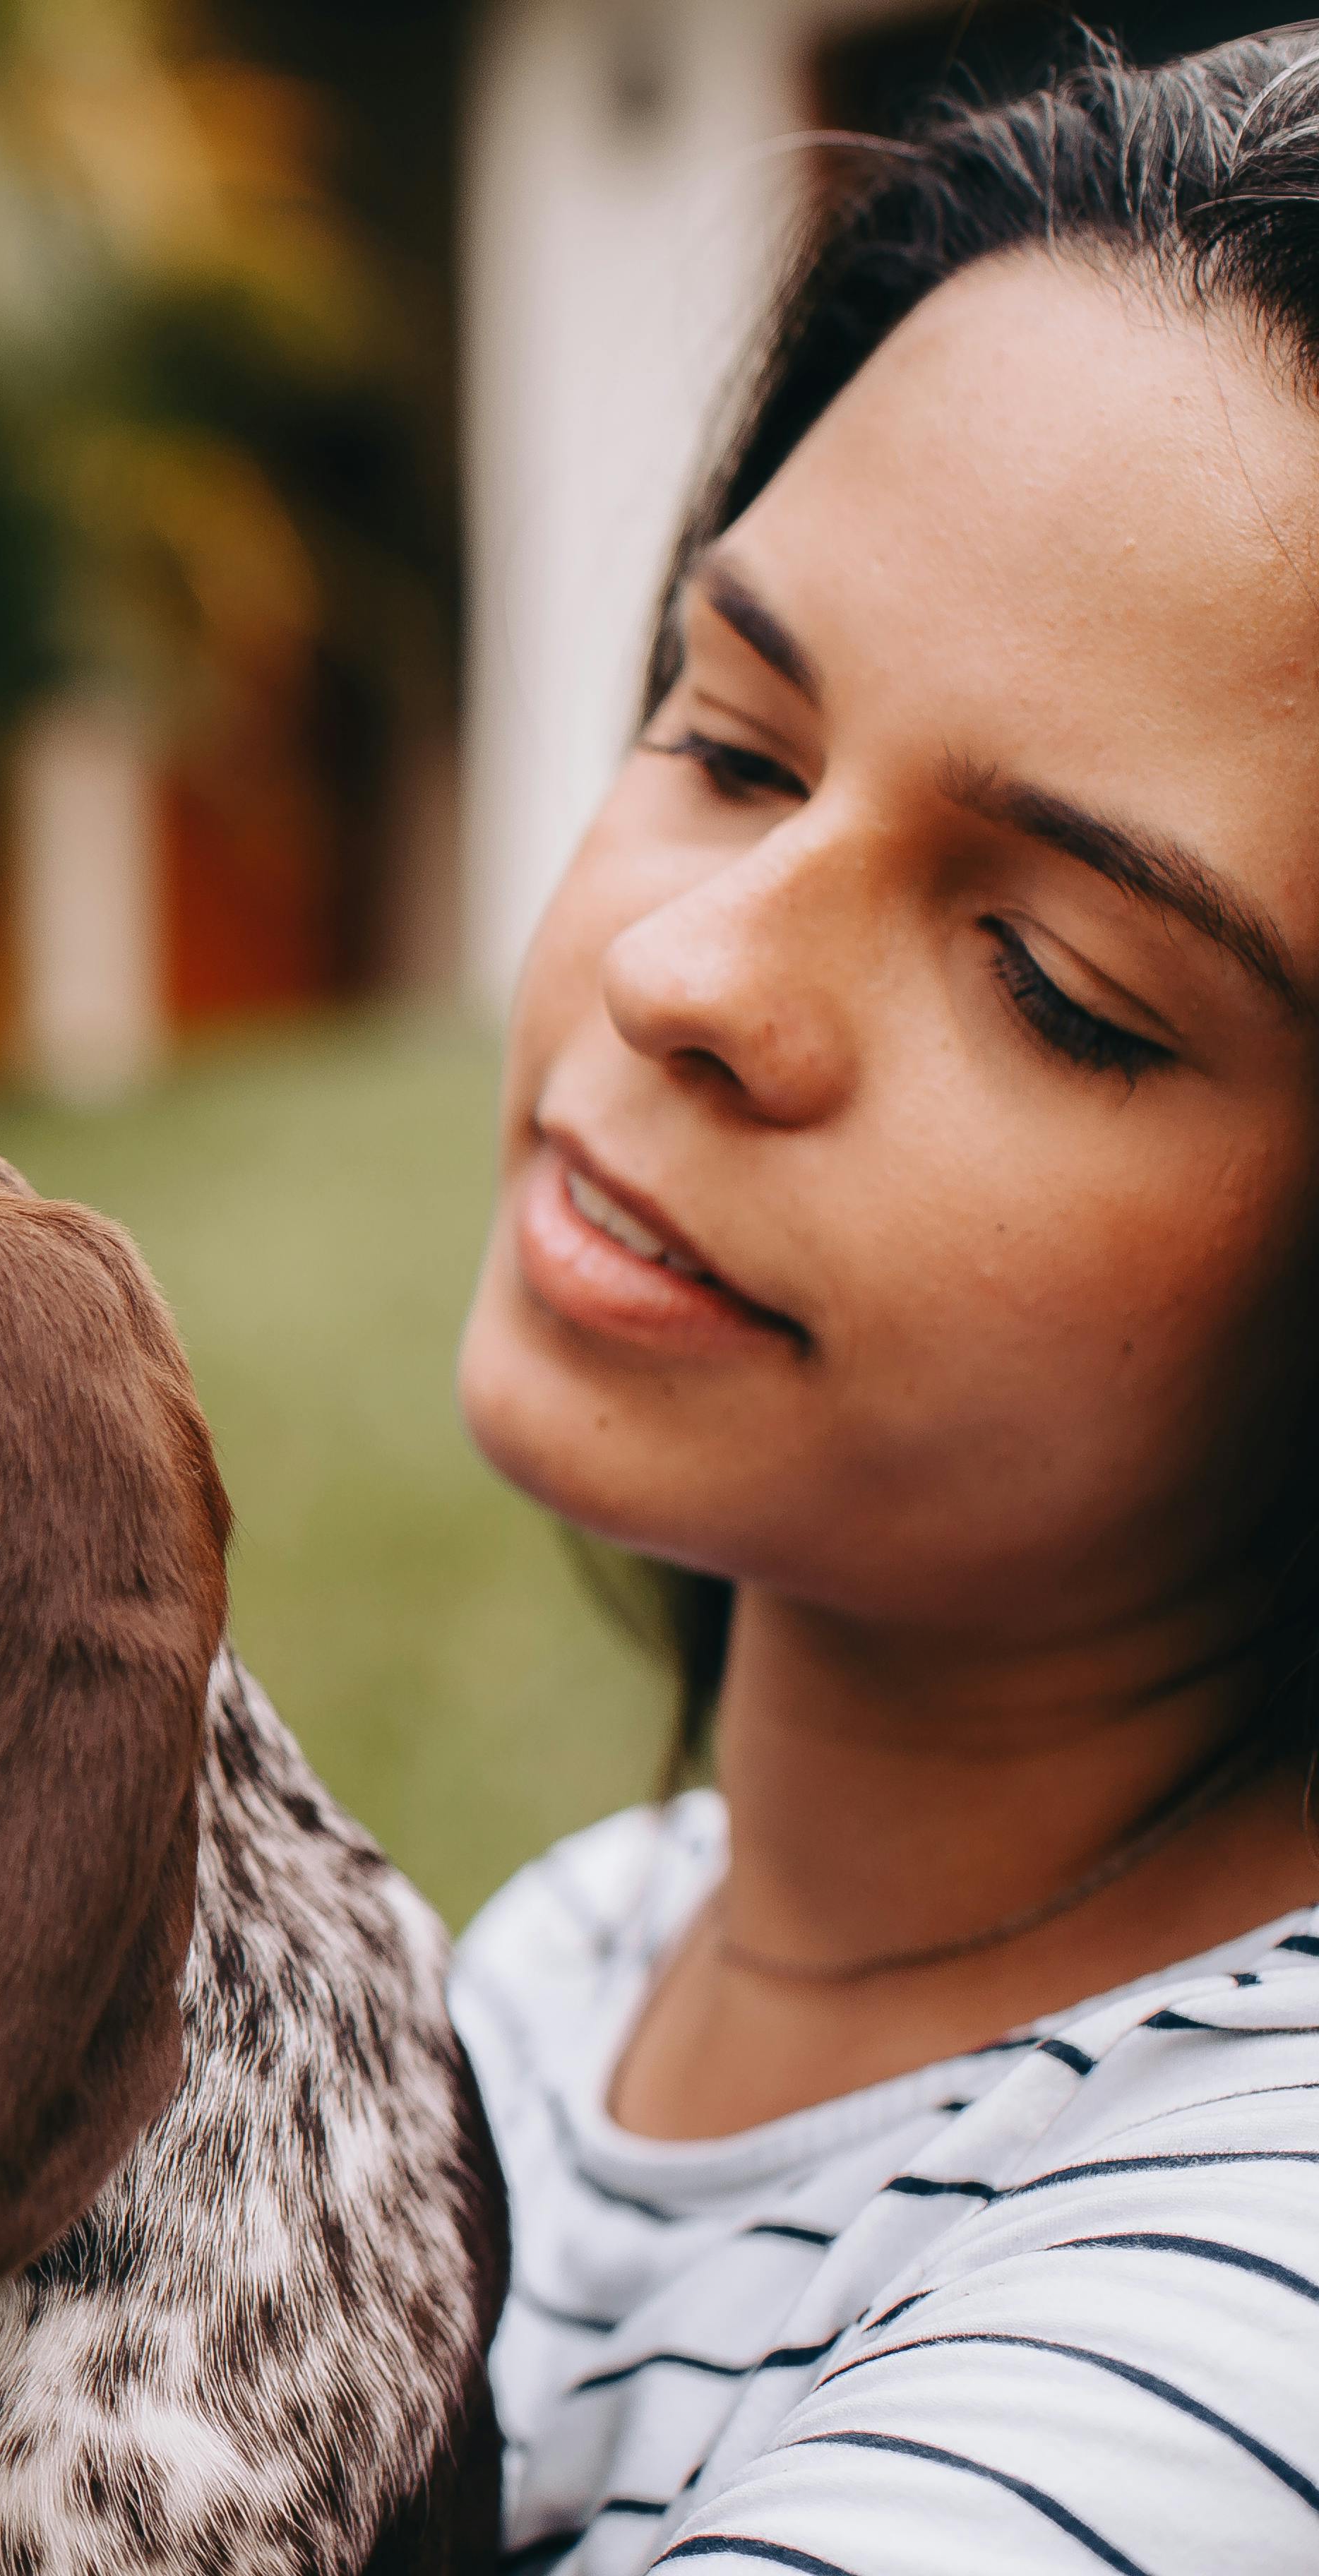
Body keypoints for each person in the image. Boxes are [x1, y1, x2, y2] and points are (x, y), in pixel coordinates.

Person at [449, 33, 1319, 2573]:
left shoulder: (1246, 2288)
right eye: (731, 744)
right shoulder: (579, 1967)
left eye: (1055, 980)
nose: (698, 972)